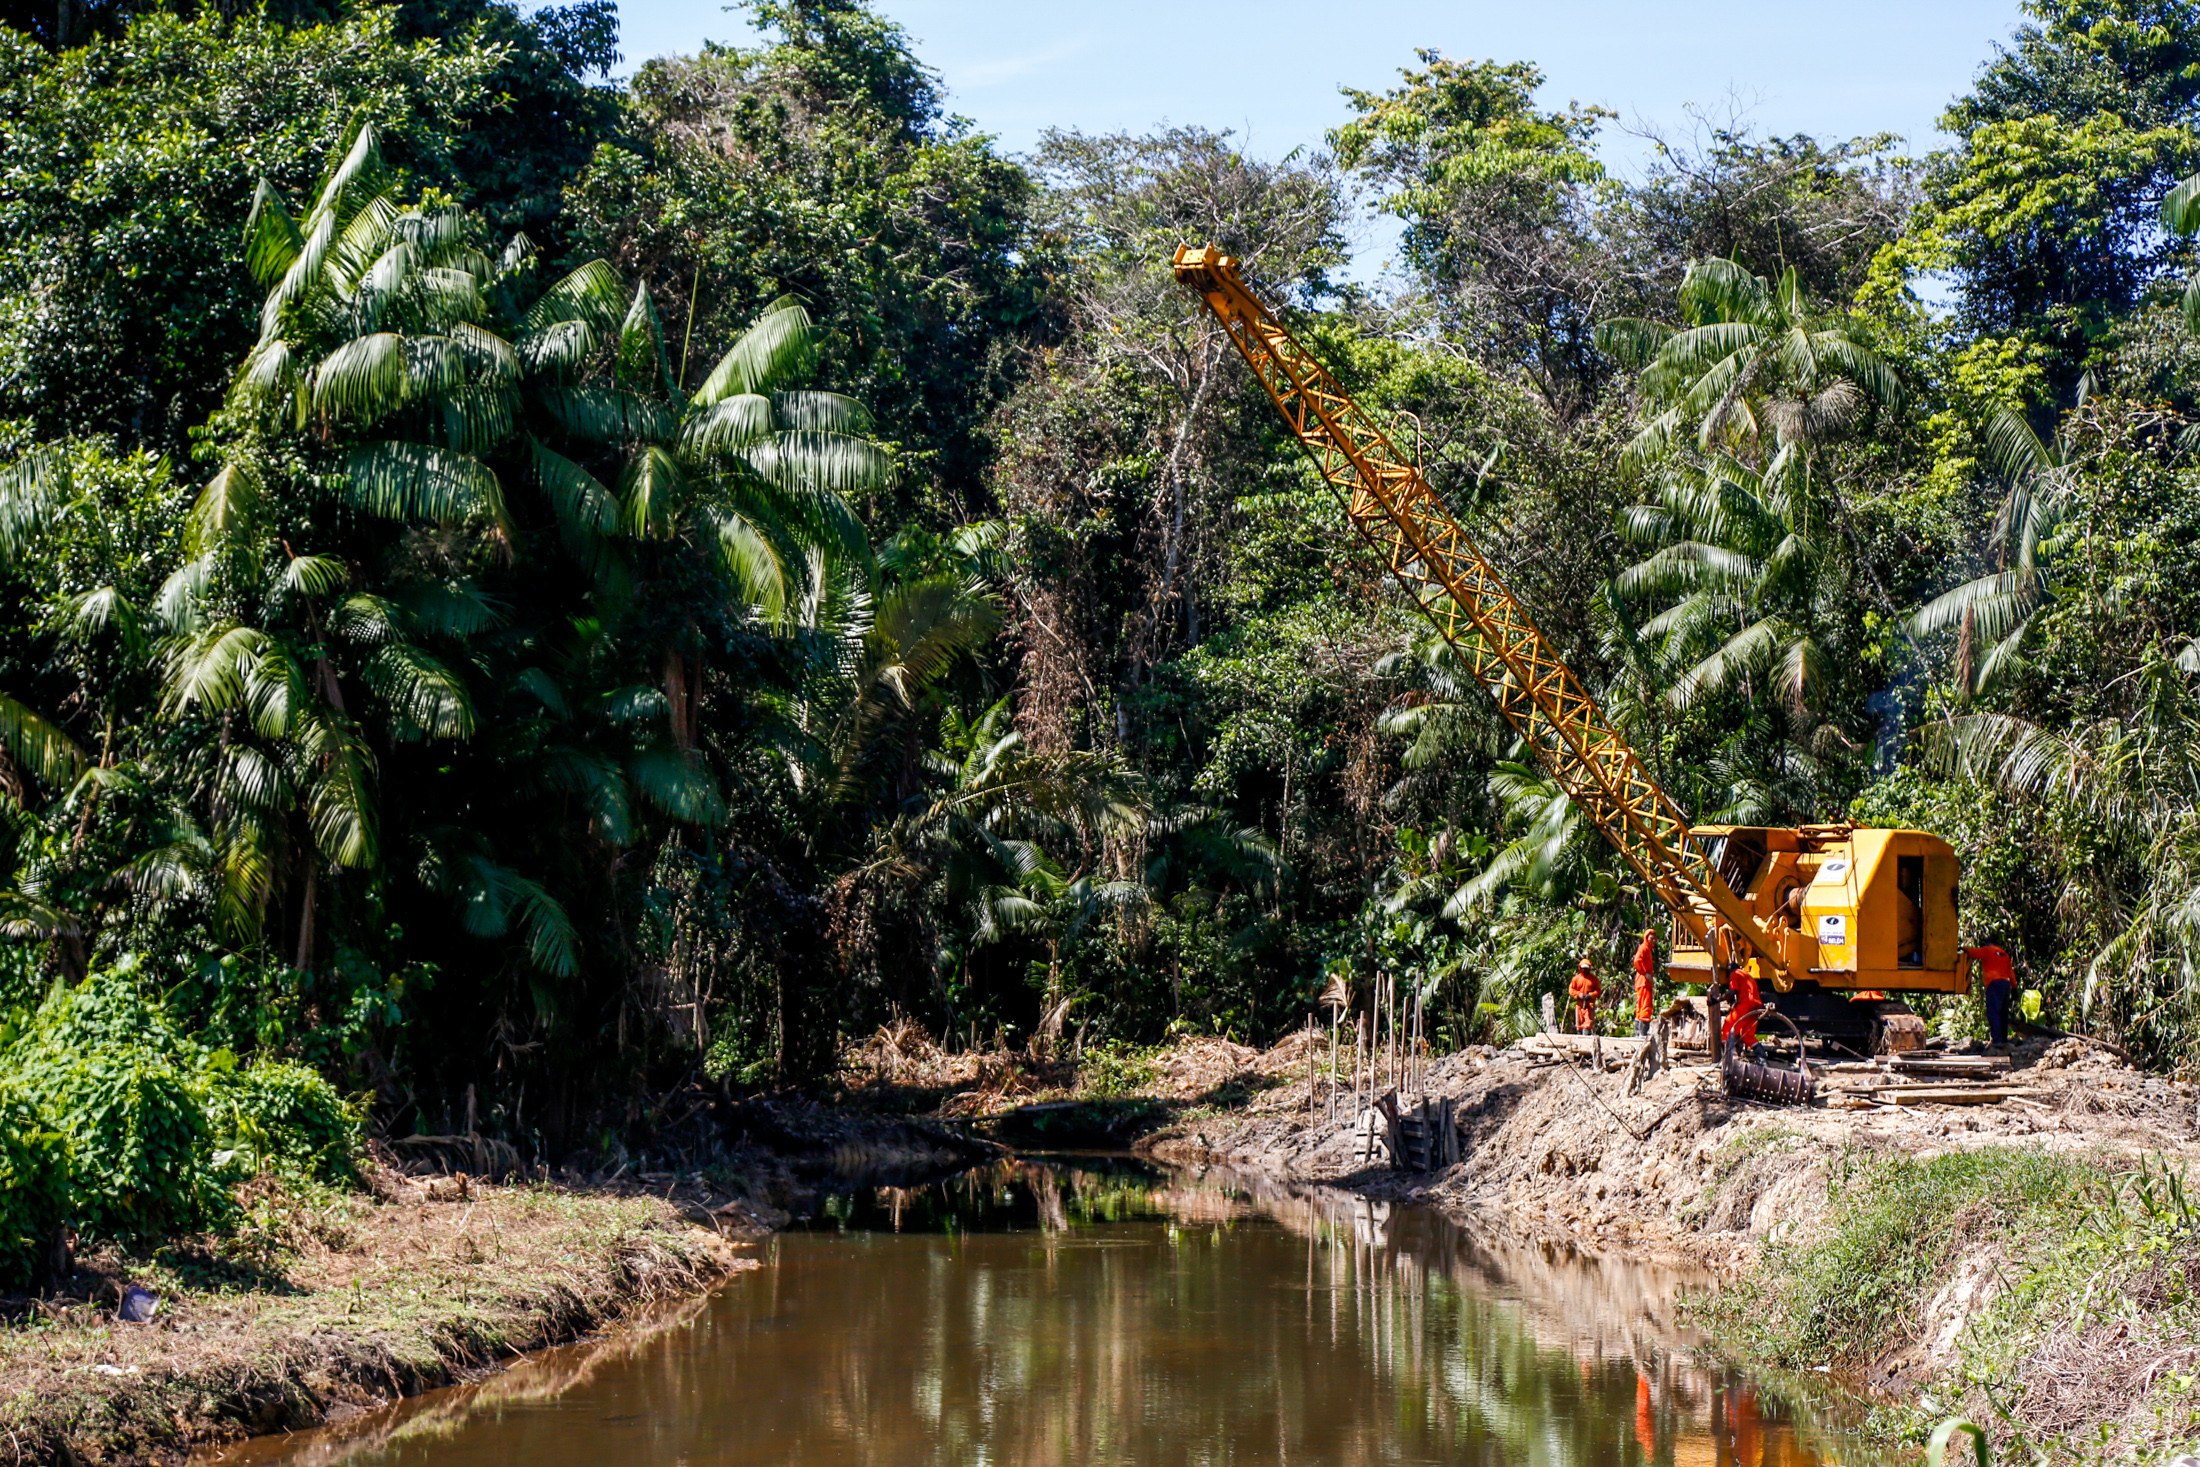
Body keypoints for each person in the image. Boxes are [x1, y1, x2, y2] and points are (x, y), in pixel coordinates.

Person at [1962, 939, 2017, 1048]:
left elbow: (1973, 952)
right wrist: (2014, 988)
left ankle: (1997, 1040)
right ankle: (2003, 1038)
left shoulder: (1987, 950)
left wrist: (1964, 948)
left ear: (1986, 945)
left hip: (1994, 983)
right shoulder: (2004, 954)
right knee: (2003, 1013)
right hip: (2005, 984)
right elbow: (2011, 973)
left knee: (1994, 1012)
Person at [1722, 952, 1765, 1053]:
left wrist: (1717, 1000)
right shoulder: (1747, 976)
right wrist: (1735, 1003)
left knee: (1728, 1027)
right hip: (1757, 1006)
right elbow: (1744, 992)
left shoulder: (1735, 974)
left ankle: (1726, 1057)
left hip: (1747, 1005)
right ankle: (1762, 1059)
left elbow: (1732, 992)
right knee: (1747, 1036)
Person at [1631, 926, 1658, 1036]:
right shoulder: (1644, 948)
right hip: (1644, 981)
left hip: (1643, 981)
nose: (1653, 941)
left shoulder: (1647, 949)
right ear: (1646, 938)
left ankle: (1638, 1033)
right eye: (1651, 939)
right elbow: (1637, 961)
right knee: (1645, 1005)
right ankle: (1642, 1033)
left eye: (1654, 939)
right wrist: (1645, 973)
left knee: (1641, 1005)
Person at [1569, 957, 1602, 1034]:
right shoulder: (1576, 979)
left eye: (1586, 968)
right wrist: (1578, 994)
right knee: (1579, 1027)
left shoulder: (1594, 979)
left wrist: (1591, 995)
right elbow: (1571, 989)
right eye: (1583, 968)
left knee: (1587, 1027)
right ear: (1580, 968)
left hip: (1589, 1006)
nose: (1585, 970)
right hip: (1580, 1006)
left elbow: (1598, 991)